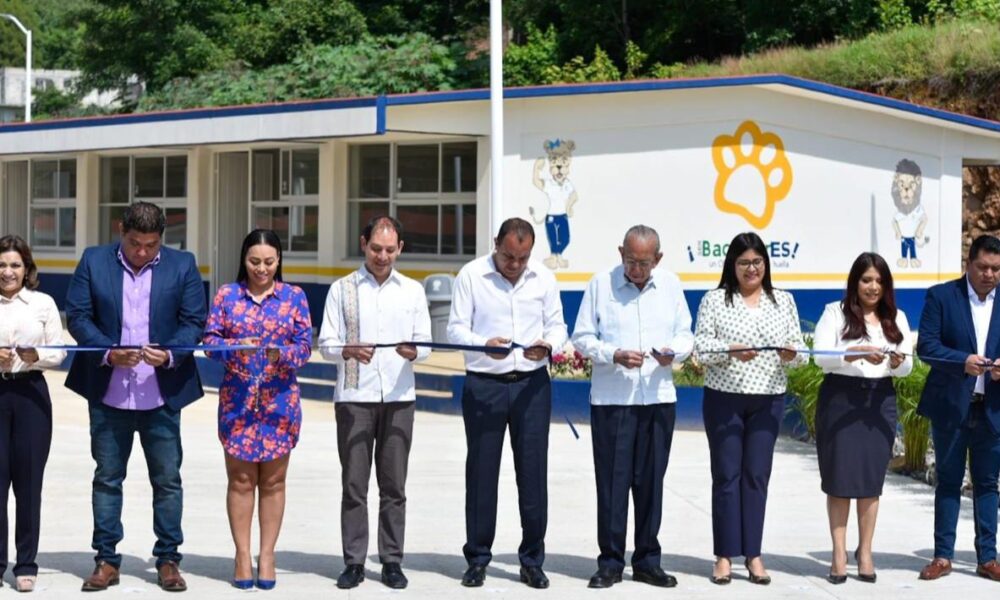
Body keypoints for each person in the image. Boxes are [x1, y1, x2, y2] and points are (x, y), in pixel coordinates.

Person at [65, 201, 207, 592]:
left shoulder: (183, 265)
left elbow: (194, 320)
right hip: (108, 394)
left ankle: (168, 559)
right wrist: (108, 351)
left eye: (151, 245)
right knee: (108, 479)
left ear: (162, 238)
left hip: (161, 396)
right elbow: (77, 315)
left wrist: (171, 352)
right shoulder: (94, 261)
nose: (142, 252)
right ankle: (106, 560)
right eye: (134, 243)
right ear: (120, 231)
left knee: (167, 481)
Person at [447, 217, 568, 589]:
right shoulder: (471, 276)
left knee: (532, 475)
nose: (514, 265)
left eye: (522, 258)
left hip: (531, 386)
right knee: (482, 473)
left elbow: (558, 326)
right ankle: (478, 557)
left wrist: (548, 346)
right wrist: (484, 345)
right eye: (508, 256)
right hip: (485, 385)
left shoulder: (544, 278)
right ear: (495, 243)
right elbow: (455, 329)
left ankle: (532, 559)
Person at [571, 225, 693, 589]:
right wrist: (613, 355)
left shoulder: (670, 285)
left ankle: (647, 560)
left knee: (651, 483)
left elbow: (686, 333)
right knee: (612, 483)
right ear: (619, 251)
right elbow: (581, 337)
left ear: (658, 259)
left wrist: (674, 352)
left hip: (657, 398)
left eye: (643, 262)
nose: (635, 269)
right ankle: (610, 562)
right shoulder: (600, 284)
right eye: (629, 260)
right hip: (613, 400)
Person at [318, 216, 432, 590]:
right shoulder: (342, 289)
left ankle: (391, 560)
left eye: (389, 250)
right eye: (375, 248)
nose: (382, 256)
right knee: (354, 484)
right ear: (363, 243)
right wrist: (346, 350)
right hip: (355, 398)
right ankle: (353, 560)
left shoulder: (413, 291)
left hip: (399, 398)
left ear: (400, 248)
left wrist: (414, 352)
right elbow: (326, 345)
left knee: (394, 485)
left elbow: (427, 345)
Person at [202, 229, 312, 590]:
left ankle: (267, 554)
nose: (261, 269)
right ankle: (241, 554)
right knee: (242, 480)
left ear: (279, 260)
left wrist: (284, 353)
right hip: (239, 404)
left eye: (268, 262)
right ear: (243, 260)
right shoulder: (226, 296)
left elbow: (305, 346)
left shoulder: (294, 297)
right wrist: (236, 347)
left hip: (279, 402)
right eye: (254, 262)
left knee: (274, 481)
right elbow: (210, 342)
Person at [693, 231, 804, 585]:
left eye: (757, 262)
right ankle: (724, 556)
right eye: (744, 263)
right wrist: (730, 349)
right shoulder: (714, 300)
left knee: (757, 476)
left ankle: (753, 555)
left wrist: (791, 354)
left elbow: (800, 354)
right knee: (727, 476)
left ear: (766, 265)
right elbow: (701, 350)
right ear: (732, 265)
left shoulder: (783, 301)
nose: (751, 269)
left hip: (768, 400)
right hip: (724, 399)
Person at [812, 252, 912, 584]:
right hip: (841, 398)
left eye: (879, 281)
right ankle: (839, 553)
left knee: (870, 483)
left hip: (878, 400)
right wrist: (854, 351)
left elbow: (908, 363)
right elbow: (821, 357)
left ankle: (865, 551)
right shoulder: (834, 313)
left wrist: (898, 362)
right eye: (866, 279)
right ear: (855, 281)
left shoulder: (896, 317)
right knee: (840, 480)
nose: (872, 287)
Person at [917, 234, 1000, 581]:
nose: (989, 275)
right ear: (968, 264)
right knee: (949, 481)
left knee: (987, 484)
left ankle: (988, 558)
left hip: (993, 408)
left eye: (996, 269)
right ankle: (943, 556)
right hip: (952, 405)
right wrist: (960, 361)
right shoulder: (942, 296)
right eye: (983, 267)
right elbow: (927, 347)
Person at [0, 235, 66, 593]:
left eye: (14, 265)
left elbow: (58, 352)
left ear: (27, 269)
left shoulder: (43, 303)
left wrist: (32, 356)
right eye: (1, 264)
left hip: (30, 395)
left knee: (28, 485)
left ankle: (26, 564)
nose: (7, 271)